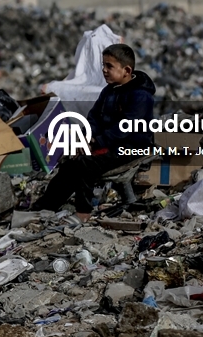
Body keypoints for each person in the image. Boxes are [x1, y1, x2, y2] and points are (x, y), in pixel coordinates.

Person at [32, 43, 156, 221]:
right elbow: (94, 118)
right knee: (69, 164)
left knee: (85, 164)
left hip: (131, 146)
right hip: (109, 144)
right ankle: (45, 206)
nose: (104, 70)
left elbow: (125, 128)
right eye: (103, 65)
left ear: (126, 70)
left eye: (109, 66)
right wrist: (85, 137)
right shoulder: (108, 90)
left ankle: (83, 213)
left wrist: (95, 142)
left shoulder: (140, 96)